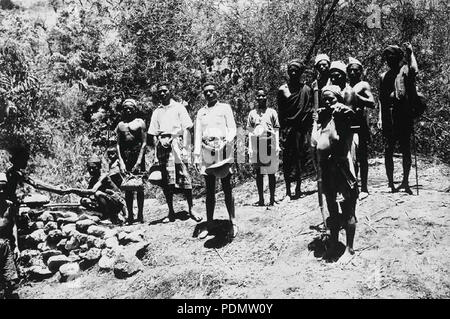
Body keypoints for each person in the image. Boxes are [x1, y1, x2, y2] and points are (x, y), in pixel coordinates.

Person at [1, 145, 67, 298]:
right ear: (17, 160)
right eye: (24, 159)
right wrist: (57, 190)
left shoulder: (12, 173)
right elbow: (35, 183)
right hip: (7, 211)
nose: (26, 162)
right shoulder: (13, 174)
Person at [311, 85, 358, 262]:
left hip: (341, 168)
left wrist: (344, 109)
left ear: (339, 98)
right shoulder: (323, 118)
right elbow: (315, 142)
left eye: (332, 98)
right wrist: (316, 121)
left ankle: (350, 249)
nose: (329, 102)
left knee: (347, 209)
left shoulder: (343, 115)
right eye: (326, 99)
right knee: (332, 208)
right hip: (326, 168)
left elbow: (354, 119)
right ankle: (333, 244)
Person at [147, 82, 202, 223]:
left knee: (184, 176)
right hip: (162, 147)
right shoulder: (157, 111)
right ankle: (171, 211)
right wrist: (155, 153)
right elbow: (153, 133)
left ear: (170, 91)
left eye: (165, 91)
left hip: (177, 144)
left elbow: (187, 128)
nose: (162, 93)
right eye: (160, 92)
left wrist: (186, 148)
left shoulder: (179, 107)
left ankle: (191, 208)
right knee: (166, 181)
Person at [194, 82, 237, 239]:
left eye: (212, 91)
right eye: (206, 92)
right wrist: (197, 155)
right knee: (210, 188)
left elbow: (232, 128)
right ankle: (210, 223)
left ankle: (233, 222)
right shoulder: (201, 112)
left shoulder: (225, 108)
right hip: (207, 151)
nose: (209, 94)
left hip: (223, 150)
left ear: (217, 92)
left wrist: (226, 142)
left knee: (227, 186)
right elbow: (198, 133)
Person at [378, 43, 419, 195]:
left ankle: (405, 182)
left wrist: (411, 53)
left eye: (393, 57)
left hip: (404, 115)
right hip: (389, 116)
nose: (390, 60)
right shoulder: (384, 76)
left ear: (398, 58)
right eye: (387, 57)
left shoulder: (405, 70)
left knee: (405, 149)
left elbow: (415, 70)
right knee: (388, 150)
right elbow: (381, 100)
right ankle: (390, 183)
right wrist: (380, 118)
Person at [277, 59, 314, 200]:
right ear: (288, 72)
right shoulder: (282, 90)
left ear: (300, 73)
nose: (293, 72)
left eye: (296, 71)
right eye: (291, 70)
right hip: (287, 129)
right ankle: (287, 191)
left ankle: (298, 187)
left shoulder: (306, 89)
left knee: (299, 158)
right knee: (287, 160)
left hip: (300, 129)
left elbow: (309, 110)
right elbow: (281, 113)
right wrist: (281, 132)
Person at [344, 57, 376, 200]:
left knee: (362, 157)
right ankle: (353, 186)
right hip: (348, 124)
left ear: (360, 71)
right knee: (350, 157)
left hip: (361, 124)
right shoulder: (344, 85)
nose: (352, 72)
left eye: (355, 70)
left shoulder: (363, 85)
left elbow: (372, 102)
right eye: (350, 70)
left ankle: (364, 188)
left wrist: (356, 96)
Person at [66, 154, 127, 224]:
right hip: (107, 201)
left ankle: (108, 215)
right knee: (84, 201)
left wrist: (72, 190)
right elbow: (87, 194)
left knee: (98, 194)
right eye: (89, 168)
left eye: (93, 168)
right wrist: (79, 194)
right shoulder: (93, 179)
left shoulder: (104, 177)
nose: (91, 170)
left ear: (99, 167)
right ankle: (101, 213)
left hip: (116, 203)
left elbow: (93, 191)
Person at [247, 88, 280, 206]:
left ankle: (272, 199)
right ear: (256, 98)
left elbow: (276, 129)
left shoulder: (272, 112)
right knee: (259, 174)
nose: (261, 98)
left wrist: (277, 145)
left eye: (263, 96)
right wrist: (250, 148)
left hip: (270, 143)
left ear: (266, 97)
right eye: (259, 96)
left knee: (271, 172)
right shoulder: (252, 113)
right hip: (257, 145)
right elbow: (250, 131)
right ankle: (261, 199)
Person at [115, 99, 147, 223]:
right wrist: (121, 161)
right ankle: (130, 216)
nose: (128, 110)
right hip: (126, 156)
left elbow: (144, 143)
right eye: (125, 108)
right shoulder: (120, 125)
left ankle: (140, 215)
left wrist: (139, 161)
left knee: (139, 186)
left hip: (137, 154)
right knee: (128, 187)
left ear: (135, 109)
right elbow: (117, 145)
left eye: (130, 108)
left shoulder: (140, 122)